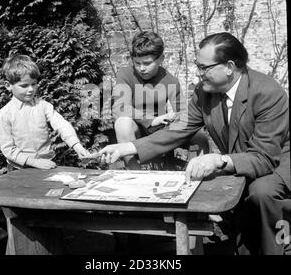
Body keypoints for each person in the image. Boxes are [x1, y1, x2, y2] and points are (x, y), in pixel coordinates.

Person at [99, 32, 290, 255]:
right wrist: (128, 147)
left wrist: (219, 160)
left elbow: (265, 157)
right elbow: (178, 129)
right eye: (198, 67)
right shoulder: (204, 93)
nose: (199, 74)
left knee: (260, 192)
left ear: (229, 66)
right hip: (242, 160)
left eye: (204, 67)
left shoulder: (267, 92)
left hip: (277, 163)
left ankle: (277, 247)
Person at [0, 55, 90, 170]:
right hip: (20, 169)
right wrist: (33, 162)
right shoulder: (4, 114)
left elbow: (62, 125)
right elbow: (8, 148)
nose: (31, 89)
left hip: (48, 163)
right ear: (8, 86)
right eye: (24, 85)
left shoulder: (43, 106)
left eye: (34, 84)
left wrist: (77, 146)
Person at [112, 31, 187, 169]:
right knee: (122, 123)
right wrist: (151, 120)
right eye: (137, 63)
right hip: (136, 129)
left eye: (147, 63)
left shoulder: (170, 80)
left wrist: (172, 118)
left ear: (161, 59)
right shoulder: (125, 74)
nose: (141, 68)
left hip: (160, 131)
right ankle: (136, 174)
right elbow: (120, 108)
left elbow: (184, 113)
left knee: (200, 137)